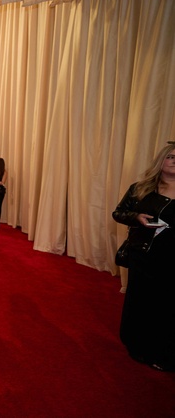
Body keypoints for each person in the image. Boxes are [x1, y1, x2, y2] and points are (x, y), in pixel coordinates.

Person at [112, 141, 175, 372]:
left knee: (167, 305)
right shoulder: (141, 188)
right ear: (161, 161)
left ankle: (164, 352)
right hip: (144, 255)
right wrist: (136, 217)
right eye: (171, 157)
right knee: (141, 301)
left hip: (171, 258)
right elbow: (119, 213)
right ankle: (138, 345)